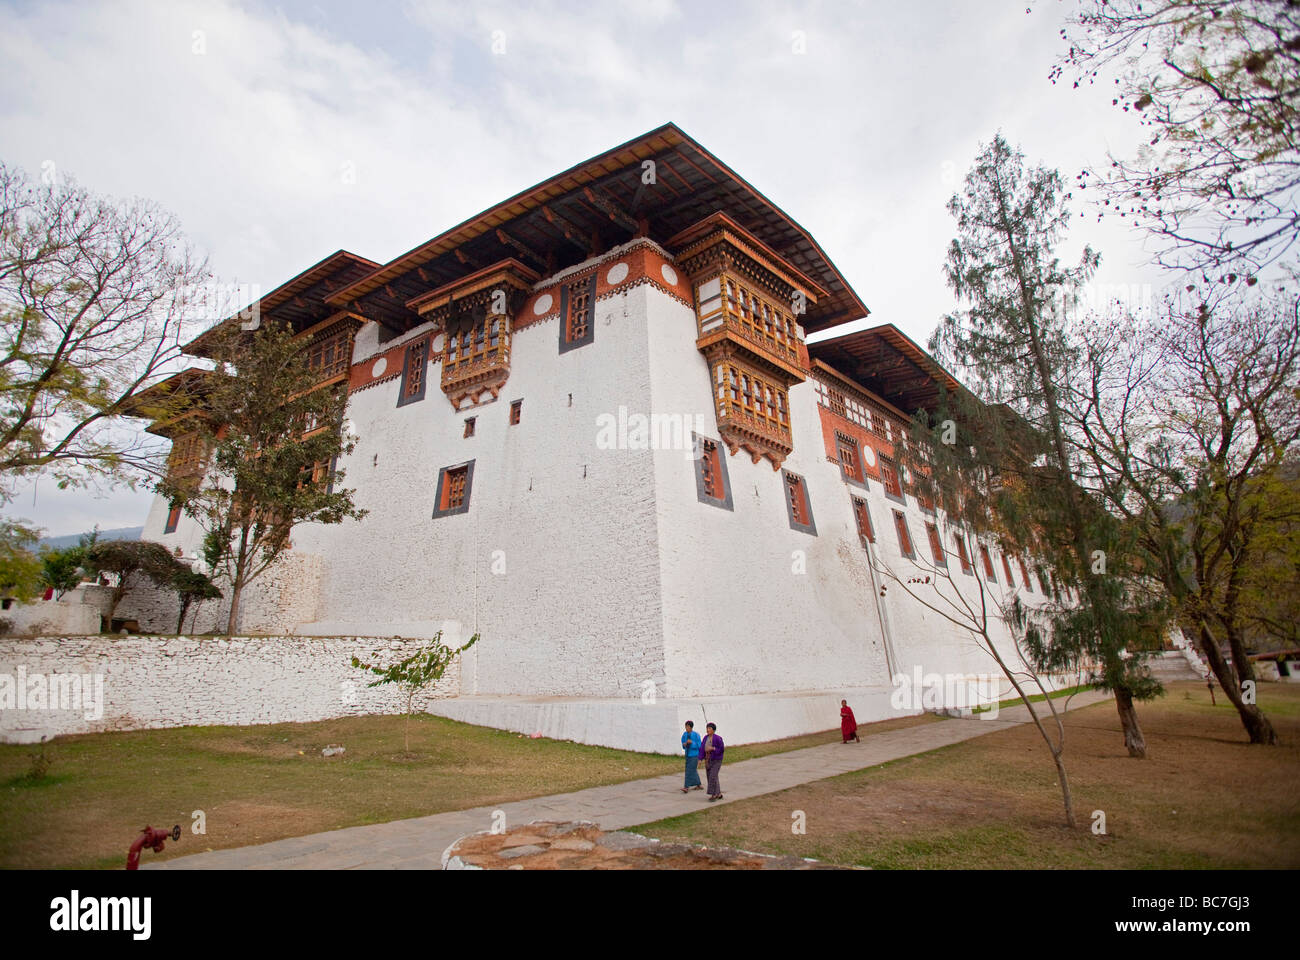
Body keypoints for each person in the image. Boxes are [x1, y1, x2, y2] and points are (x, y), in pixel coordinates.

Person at [700, 722, 725, 801]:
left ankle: (713, 795)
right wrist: (700, 759)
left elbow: (721, 749)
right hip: (708, 760)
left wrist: (713, 748)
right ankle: (719, 794)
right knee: (711, 776)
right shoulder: (705, 738)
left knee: (712, 777)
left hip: (717, 760)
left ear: (713, 730)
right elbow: (702, 749)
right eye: (707, 728)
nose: (708, 730)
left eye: (710, 728)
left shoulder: (718, 738)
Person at [680, 720, 702, 793]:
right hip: (687, 754)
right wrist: (685, 744)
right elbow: (683, 743)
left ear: (691, 727)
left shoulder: (696, 735)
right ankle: (698, 784)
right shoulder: (685, 734)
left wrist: (692, 743)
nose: (686, 728)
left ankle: (686, 787)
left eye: (688, 727)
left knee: (689, 770)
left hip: (694, 755)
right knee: (692, 770)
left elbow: (699, 745)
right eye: (686, 726)